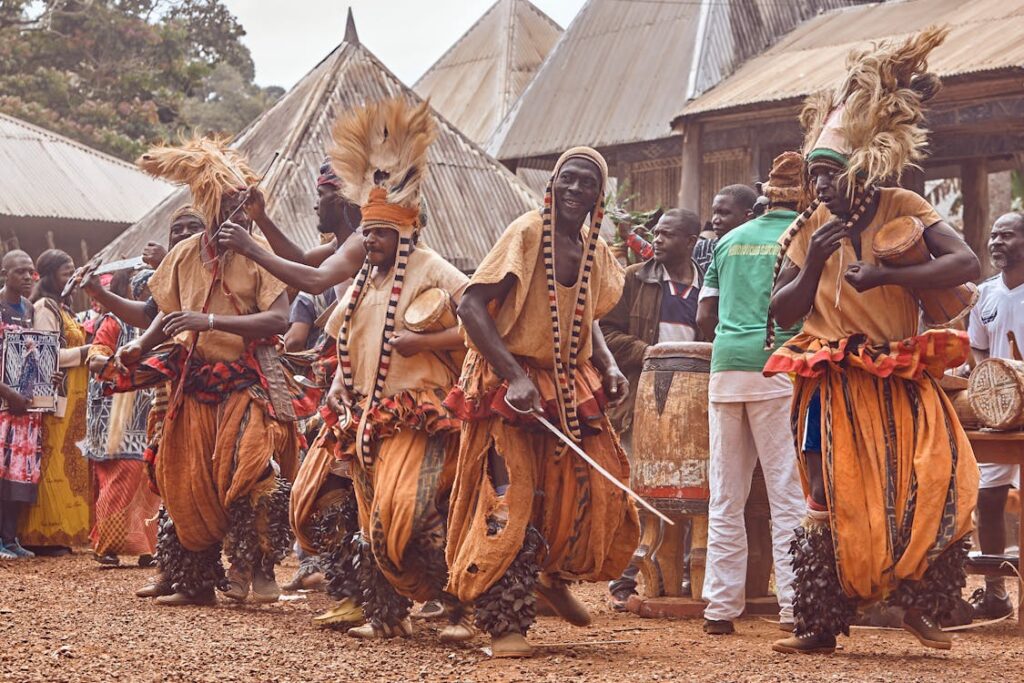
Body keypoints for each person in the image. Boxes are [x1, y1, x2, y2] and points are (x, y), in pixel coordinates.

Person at [766, 27, 979, 654]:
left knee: (930, 482)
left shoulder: (900, 204)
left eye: (831, 173)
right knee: (824, 497)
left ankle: (921, 607)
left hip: (898, 374)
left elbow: (964, 263)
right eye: (815, 175)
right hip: (829, 383)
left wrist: (889, 273)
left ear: (862, 165)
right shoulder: (810, 229)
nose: (822, 186)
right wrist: (812, 266)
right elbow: (781, 311)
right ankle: (818, 625)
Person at [444, 146, 639, 658]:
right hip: (510, 383)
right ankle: (504, 624)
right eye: (568, 181)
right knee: (511, 498)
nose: (577, 191)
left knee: (589, 489)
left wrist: (609, 365)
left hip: (566, 383)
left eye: (588, 184)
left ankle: (548, 576)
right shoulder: (528, 232)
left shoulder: (595, 247)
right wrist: (513, 375)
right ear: (552, 184)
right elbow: (469, 303)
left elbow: (586, 312)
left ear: (600, 195)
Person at [294, 98, 473, 641]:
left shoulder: (431, 268)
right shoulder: (365, 282)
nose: (369, 242)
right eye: (366, 233)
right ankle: (385, 614)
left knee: (406, 514)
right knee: (372, 518)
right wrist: (335, 402)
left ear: (406, 233)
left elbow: (478, 326)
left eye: (379, 234)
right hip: (365, 419)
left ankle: (458, 605)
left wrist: (423, 339)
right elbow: (342, 345)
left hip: (420, 416)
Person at [110, 136, 301, 606]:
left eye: (241, 207)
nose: (235, 216)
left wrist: (211, 320)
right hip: (193, 383)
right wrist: (139, 344)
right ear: (209, 206)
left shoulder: (258, 255)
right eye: (227, 207)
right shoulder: (184, 254)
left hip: (247, 381)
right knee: (184, 478)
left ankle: (253, 571)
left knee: (251, 472)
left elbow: (279, 319)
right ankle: (194, 580)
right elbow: (164, 309)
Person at [695, 152, 807, 635]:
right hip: (777, 368)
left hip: (725, 369)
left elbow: (704, 318)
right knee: (786, 493)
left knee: (726, 495)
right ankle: (795, 608)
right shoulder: (803, 238)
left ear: (764, 198)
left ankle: (719, 610)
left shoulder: (727, 242)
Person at [600, 207, 703, 608]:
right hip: (642, 396)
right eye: (655, 233)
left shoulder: (706, 285)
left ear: (691, 241)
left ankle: (677, 576)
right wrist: (654, 355)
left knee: (691, 488)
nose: (657, 239)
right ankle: (624, 582)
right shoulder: (633, 279)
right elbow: (605, 333)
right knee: (637, 489)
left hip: (694, 400)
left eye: (668, 234)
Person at [80, 269, 159, 567]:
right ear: (136, 295)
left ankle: (146, 547)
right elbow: (95, 356)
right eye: (148, 290)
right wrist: (110, 362)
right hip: (114, 416)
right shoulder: (114, 321)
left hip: (151, 411)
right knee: (121, 473)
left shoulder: (165, 324)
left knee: (150, 477)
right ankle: (106, 544)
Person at [967, 211, 1024, 620]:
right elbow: (979, 349)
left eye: (1007, 234)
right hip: (998, 415)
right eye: (993, 235)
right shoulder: (984, 295)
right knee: (987, 497)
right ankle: (995, 590)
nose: (996, 242)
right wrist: (991, 387)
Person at [20, 249, 92, 555]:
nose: (73, 279)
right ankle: (45, 535)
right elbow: (45, 356)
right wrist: (86, 353)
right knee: (54, 464)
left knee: (71, 462)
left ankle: (67, 529)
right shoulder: (44, 308)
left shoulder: (64, 308)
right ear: (49, 276)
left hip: (75, 397)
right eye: (67, 274)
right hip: (56, 398)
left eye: (74, 273)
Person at [0, 250, 43, 559]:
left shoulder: (28, 308)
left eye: (31, 272)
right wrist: (7, 393)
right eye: (20, 272)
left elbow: (32, 352)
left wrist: (46, 376)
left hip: (23, 405)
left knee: (17, 474)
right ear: (5, 274)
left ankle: (10, 538)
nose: (28, 277)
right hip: (4, 403)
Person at [692, 185, 757, 272]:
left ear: (747, 215)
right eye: (714, 212)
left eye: (724, 213)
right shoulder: (702, 249)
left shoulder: (762, 250)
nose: (715, 220)